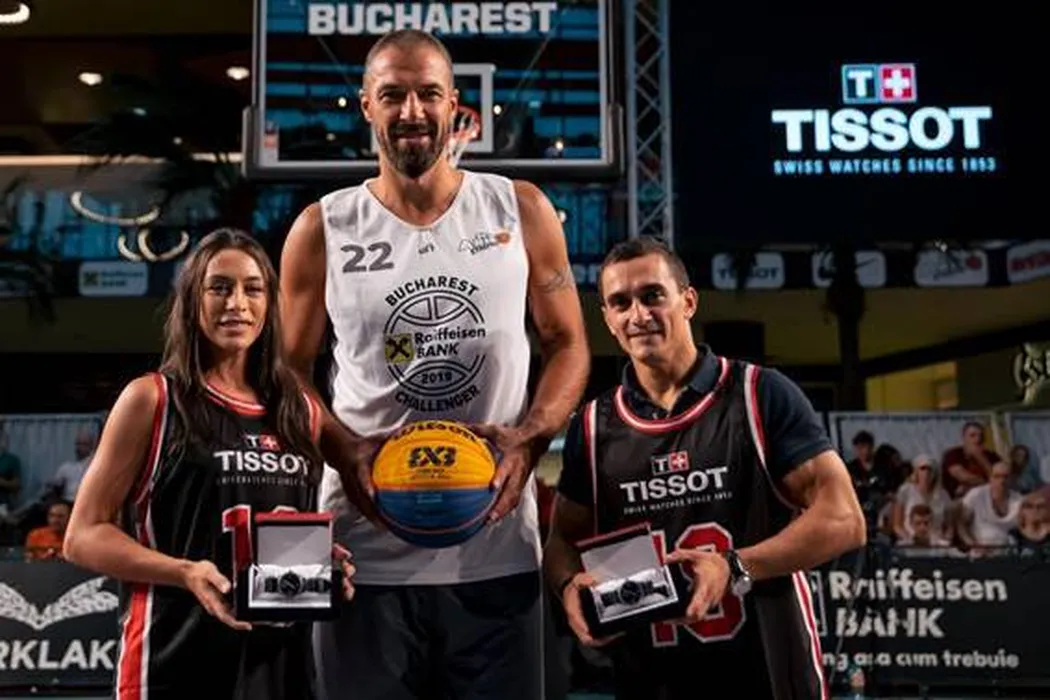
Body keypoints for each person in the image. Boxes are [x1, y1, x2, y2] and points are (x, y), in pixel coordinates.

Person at [279, 28, 590, 700]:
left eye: (428, 93)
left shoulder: (521, 209)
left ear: (456, 105)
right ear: (367, 105)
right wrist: (343, 450)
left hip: (495, 548)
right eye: (393, 94)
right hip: (361, 551)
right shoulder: (322, 227)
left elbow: (568, 341)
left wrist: (532, 436)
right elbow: (288, 370)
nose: (412, 111)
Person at [543, 237, 866, 700]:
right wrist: (568, 586)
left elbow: (845, 520)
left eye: (653, 295)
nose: (638, 315)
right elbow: (562, 540)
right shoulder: (594, 426)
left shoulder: (759, 394)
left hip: (767, 670)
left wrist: (734, 566)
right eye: (621, 303)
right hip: (651, 677)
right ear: (608, 319)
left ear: (688, 301)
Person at [63, 229, 355, 700]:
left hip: (278, 666)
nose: (236, 303)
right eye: (219, 287)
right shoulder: (154, 399)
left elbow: (291, 526)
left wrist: (322, 562)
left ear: (270, 304)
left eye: (253, 289)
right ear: (191, 300)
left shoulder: (299, 409)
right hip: (174, 658)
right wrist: (184, 571)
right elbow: (82, 536)